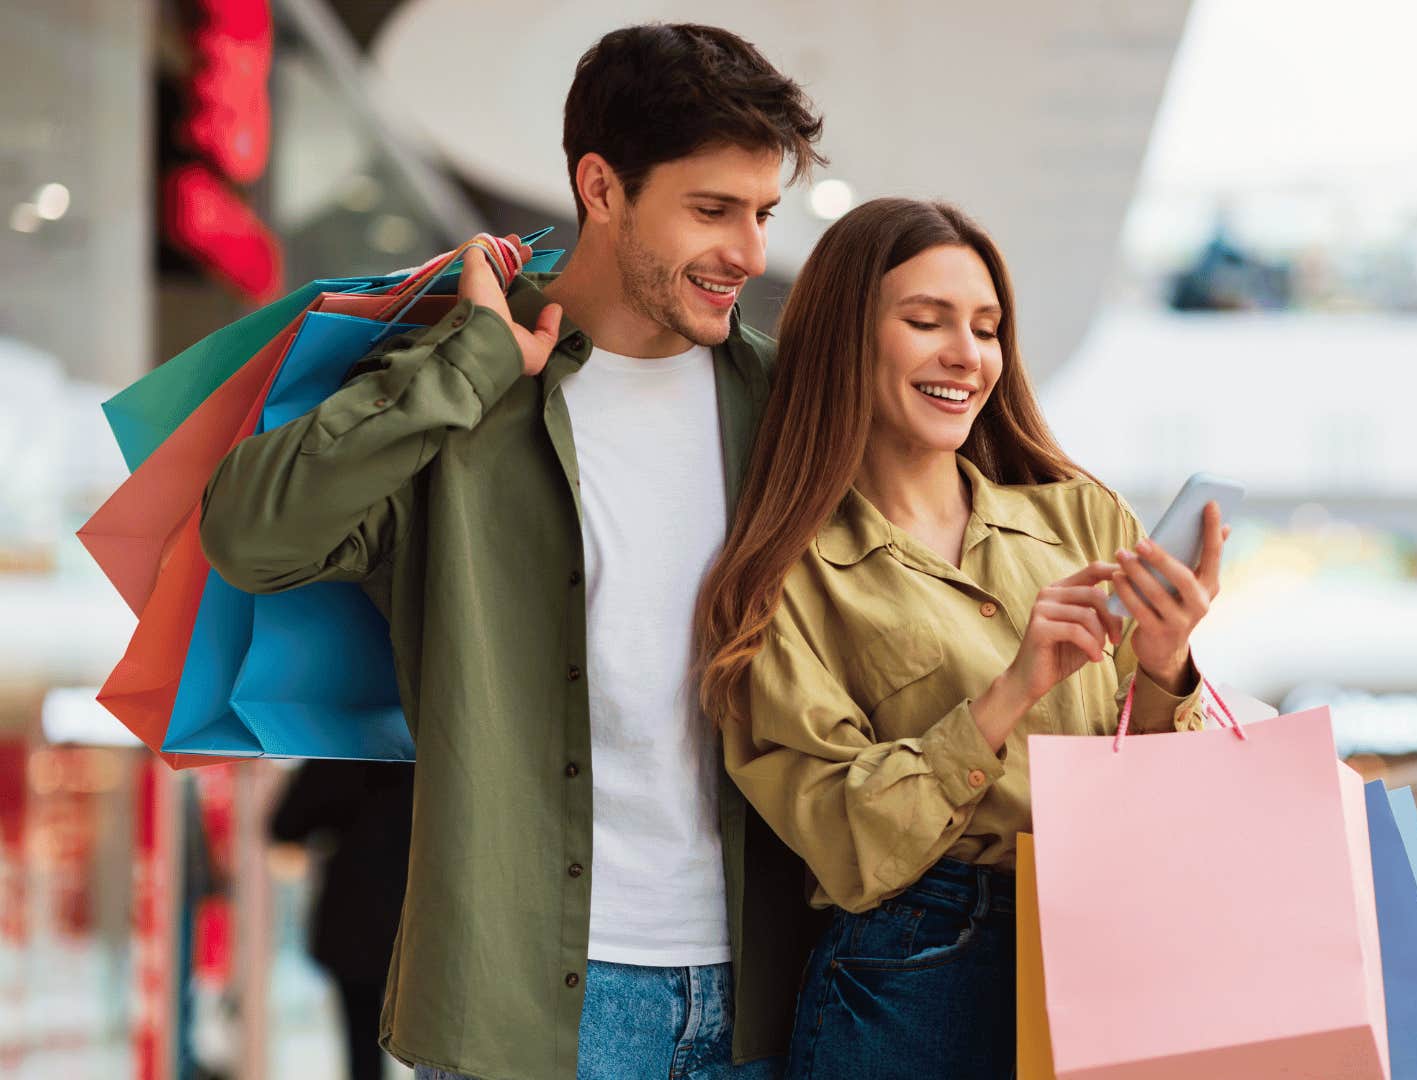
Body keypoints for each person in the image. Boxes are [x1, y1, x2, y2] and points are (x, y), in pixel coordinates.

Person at [200, 23, 825, 1080]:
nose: (751, 256)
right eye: (713, 210)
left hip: (767, 992)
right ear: (602, 187)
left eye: (762, 214)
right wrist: (469, 366)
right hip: (532, 1005)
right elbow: (252, 536)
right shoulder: (460, 387)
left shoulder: (784, 408)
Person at [694, 198, 1230, 1079]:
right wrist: (1008, 692)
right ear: (845, 339)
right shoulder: (784, 578)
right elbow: (841, 836)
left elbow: (1174, 797)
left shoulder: (1083, 518)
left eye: (987, 328)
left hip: (1115, 942)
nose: (967, 356)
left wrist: (1169, 666)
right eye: (925, 321)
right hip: (919, 972)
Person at [269, 761, 414, 1080]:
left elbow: (284, 825)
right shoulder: (432, 749)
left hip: (355, 920)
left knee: (362, 1042)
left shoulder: (341, 751)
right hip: (420, 917)